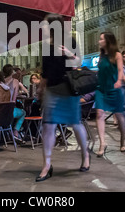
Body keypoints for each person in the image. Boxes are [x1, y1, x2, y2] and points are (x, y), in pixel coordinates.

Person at [36, 13, 90, 182]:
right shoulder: (45, 45)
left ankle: (85, 155)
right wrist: (41, 88)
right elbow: (45, 72)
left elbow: (79, 64)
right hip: (52, 89)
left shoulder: (70, 41)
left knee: (75, 123)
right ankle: (46, 165)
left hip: (69, 88)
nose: (42, 26)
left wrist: (69, 54)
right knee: (48, 126)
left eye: (44, 24)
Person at [94, 32, 125, 155]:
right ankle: (103, 143)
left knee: (119, 116)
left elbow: (120, 70)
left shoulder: (117, 55)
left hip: (114, 88)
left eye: (101, 39)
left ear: (108, 41)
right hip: (101, 89)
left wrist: (119, 81)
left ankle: (123, 137)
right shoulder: (101, 56)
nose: (99, 41)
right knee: (99, 113)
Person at [3, 64, 27, 141]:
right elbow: (13, 99)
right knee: (23, 112)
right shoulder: (15, 81)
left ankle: (8, 131)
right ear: (12, 72)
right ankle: (15, 132)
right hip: (9, 111)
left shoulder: (0, 81)